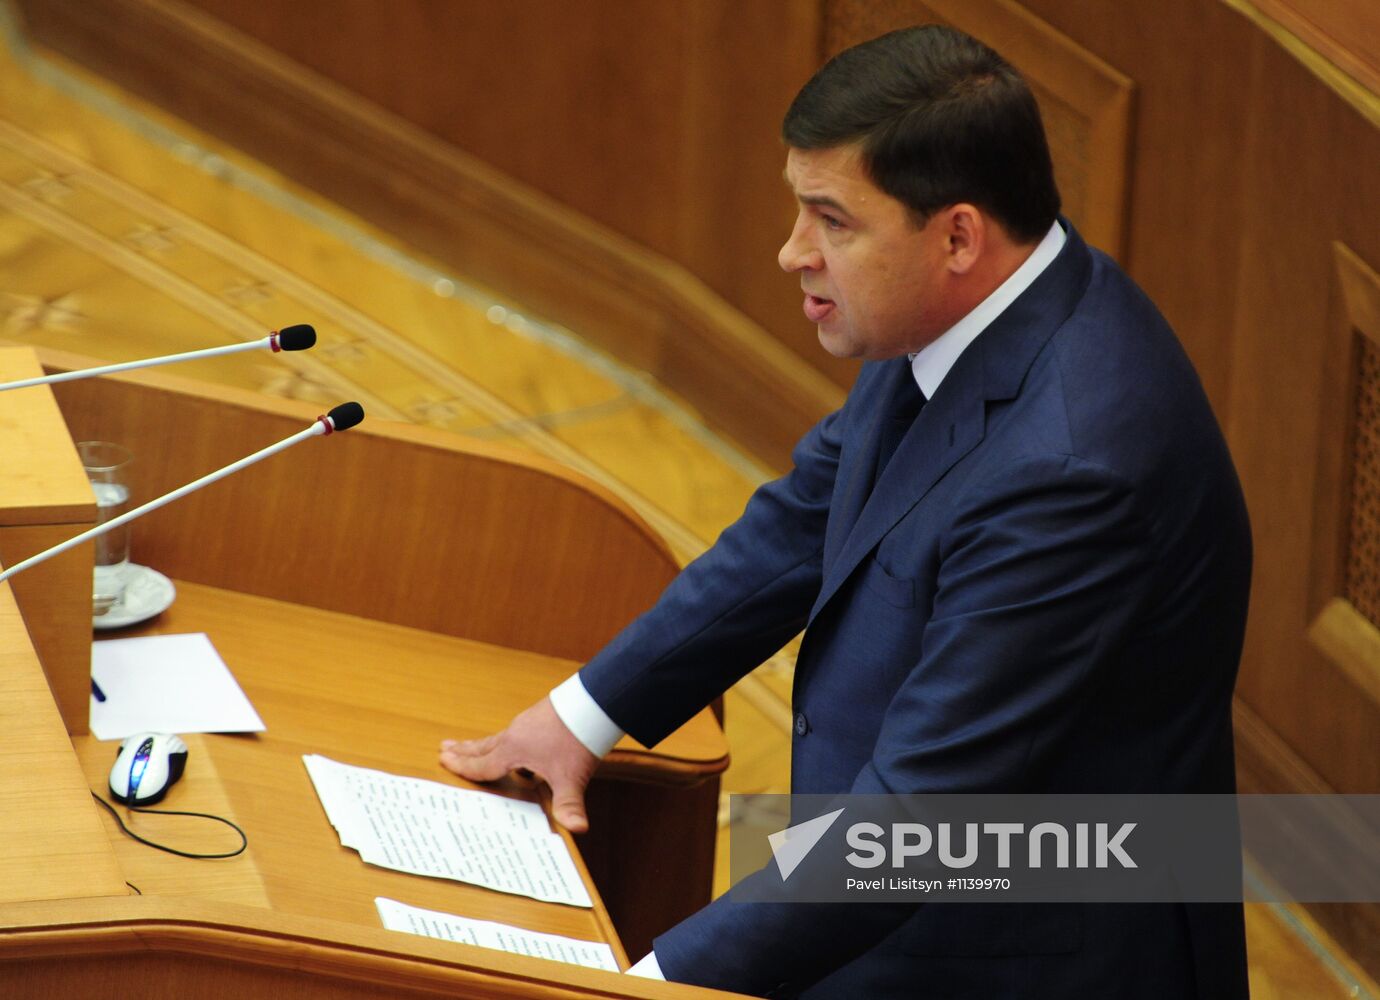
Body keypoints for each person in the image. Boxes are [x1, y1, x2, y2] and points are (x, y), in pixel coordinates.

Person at [440, 24, 1252, 999]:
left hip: (1012, 957)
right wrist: (582, 716)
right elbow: (804, 522)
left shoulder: (1075, 470)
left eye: (831, 219)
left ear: (956, 234)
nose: (792, 254)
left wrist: (652, 984)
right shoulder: (959, 314)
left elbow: (920, 819)